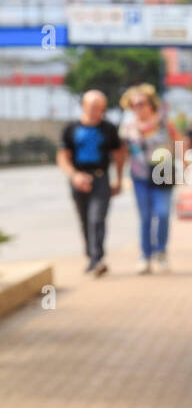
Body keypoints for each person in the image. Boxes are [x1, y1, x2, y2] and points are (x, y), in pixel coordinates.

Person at [56, 90, 125, 277]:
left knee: (97, 218)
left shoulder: (109, 128)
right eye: (93, 107)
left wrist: (118, 178)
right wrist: (74, 176)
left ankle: (97, 258)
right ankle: (91, 256)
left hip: (101, 177)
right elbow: (63, 157)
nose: (97, 111)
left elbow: (119, 153)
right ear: (83, 106)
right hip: (78, 178)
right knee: (85, 219)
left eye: (101, 108)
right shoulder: (71, 129)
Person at [120, 84, 180, 274]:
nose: (138, 107)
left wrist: (188, 165)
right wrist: (119, 176)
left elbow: (179, 142)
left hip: (162, 173)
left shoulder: (164, 122)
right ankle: (145, 255)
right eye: (134, 104)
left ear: (150, 104)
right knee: (145, 216)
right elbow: (122, 152)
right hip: (139, 175)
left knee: (162, 214)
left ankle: (161, 252)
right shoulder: (128, 126)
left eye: (142, 103)